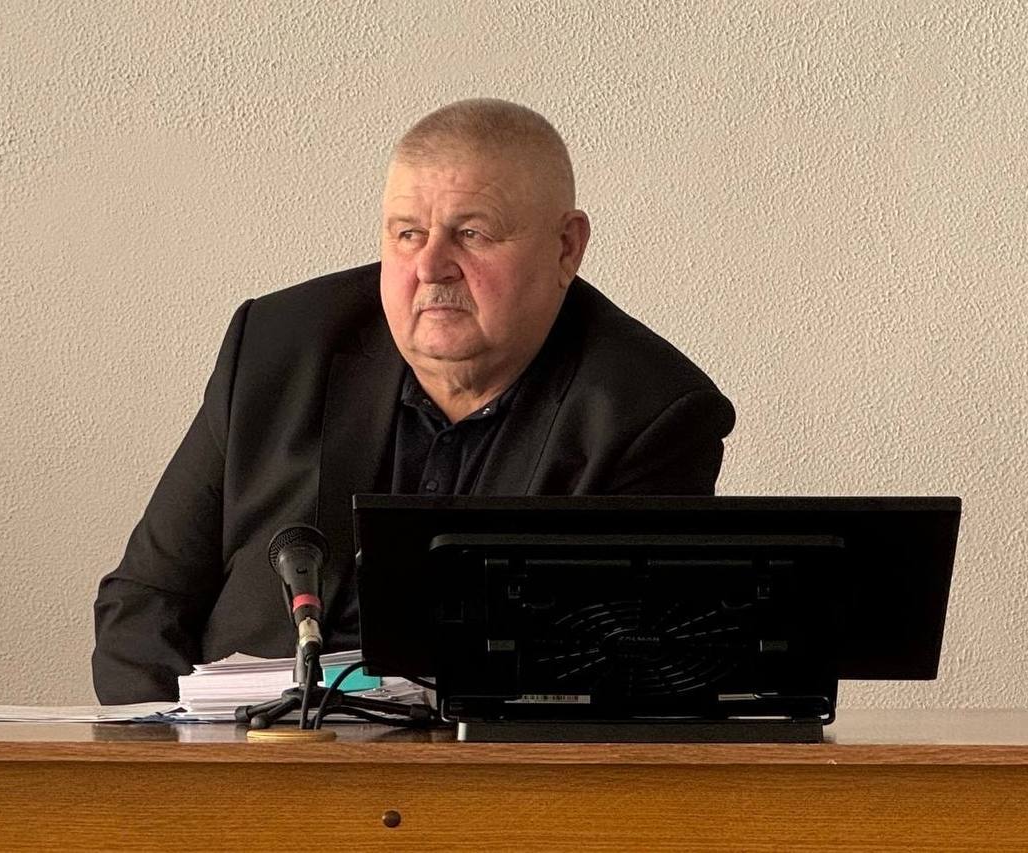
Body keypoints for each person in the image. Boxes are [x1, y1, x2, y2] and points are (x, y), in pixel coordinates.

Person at [92, 99, 736, 703]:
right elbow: (145, 604)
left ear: (566, 246)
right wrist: (181, 763)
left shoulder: (648, 412)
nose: (431, 266)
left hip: (478, 777)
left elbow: (627, 677)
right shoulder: (277, 348)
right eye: (407, 234)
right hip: (249, 762)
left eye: (472, 234)